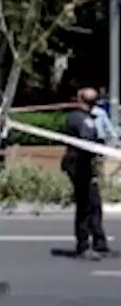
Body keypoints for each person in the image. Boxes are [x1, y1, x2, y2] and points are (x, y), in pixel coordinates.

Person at [64, 87, 110, 258]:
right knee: (86, 205)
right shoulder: (79, 119)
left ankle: (99, 241)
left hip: (86, 165)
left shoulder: (85, 117)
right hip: (79, 166)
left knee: (94, 204)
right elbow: (87, 141)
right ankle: (83, 246)